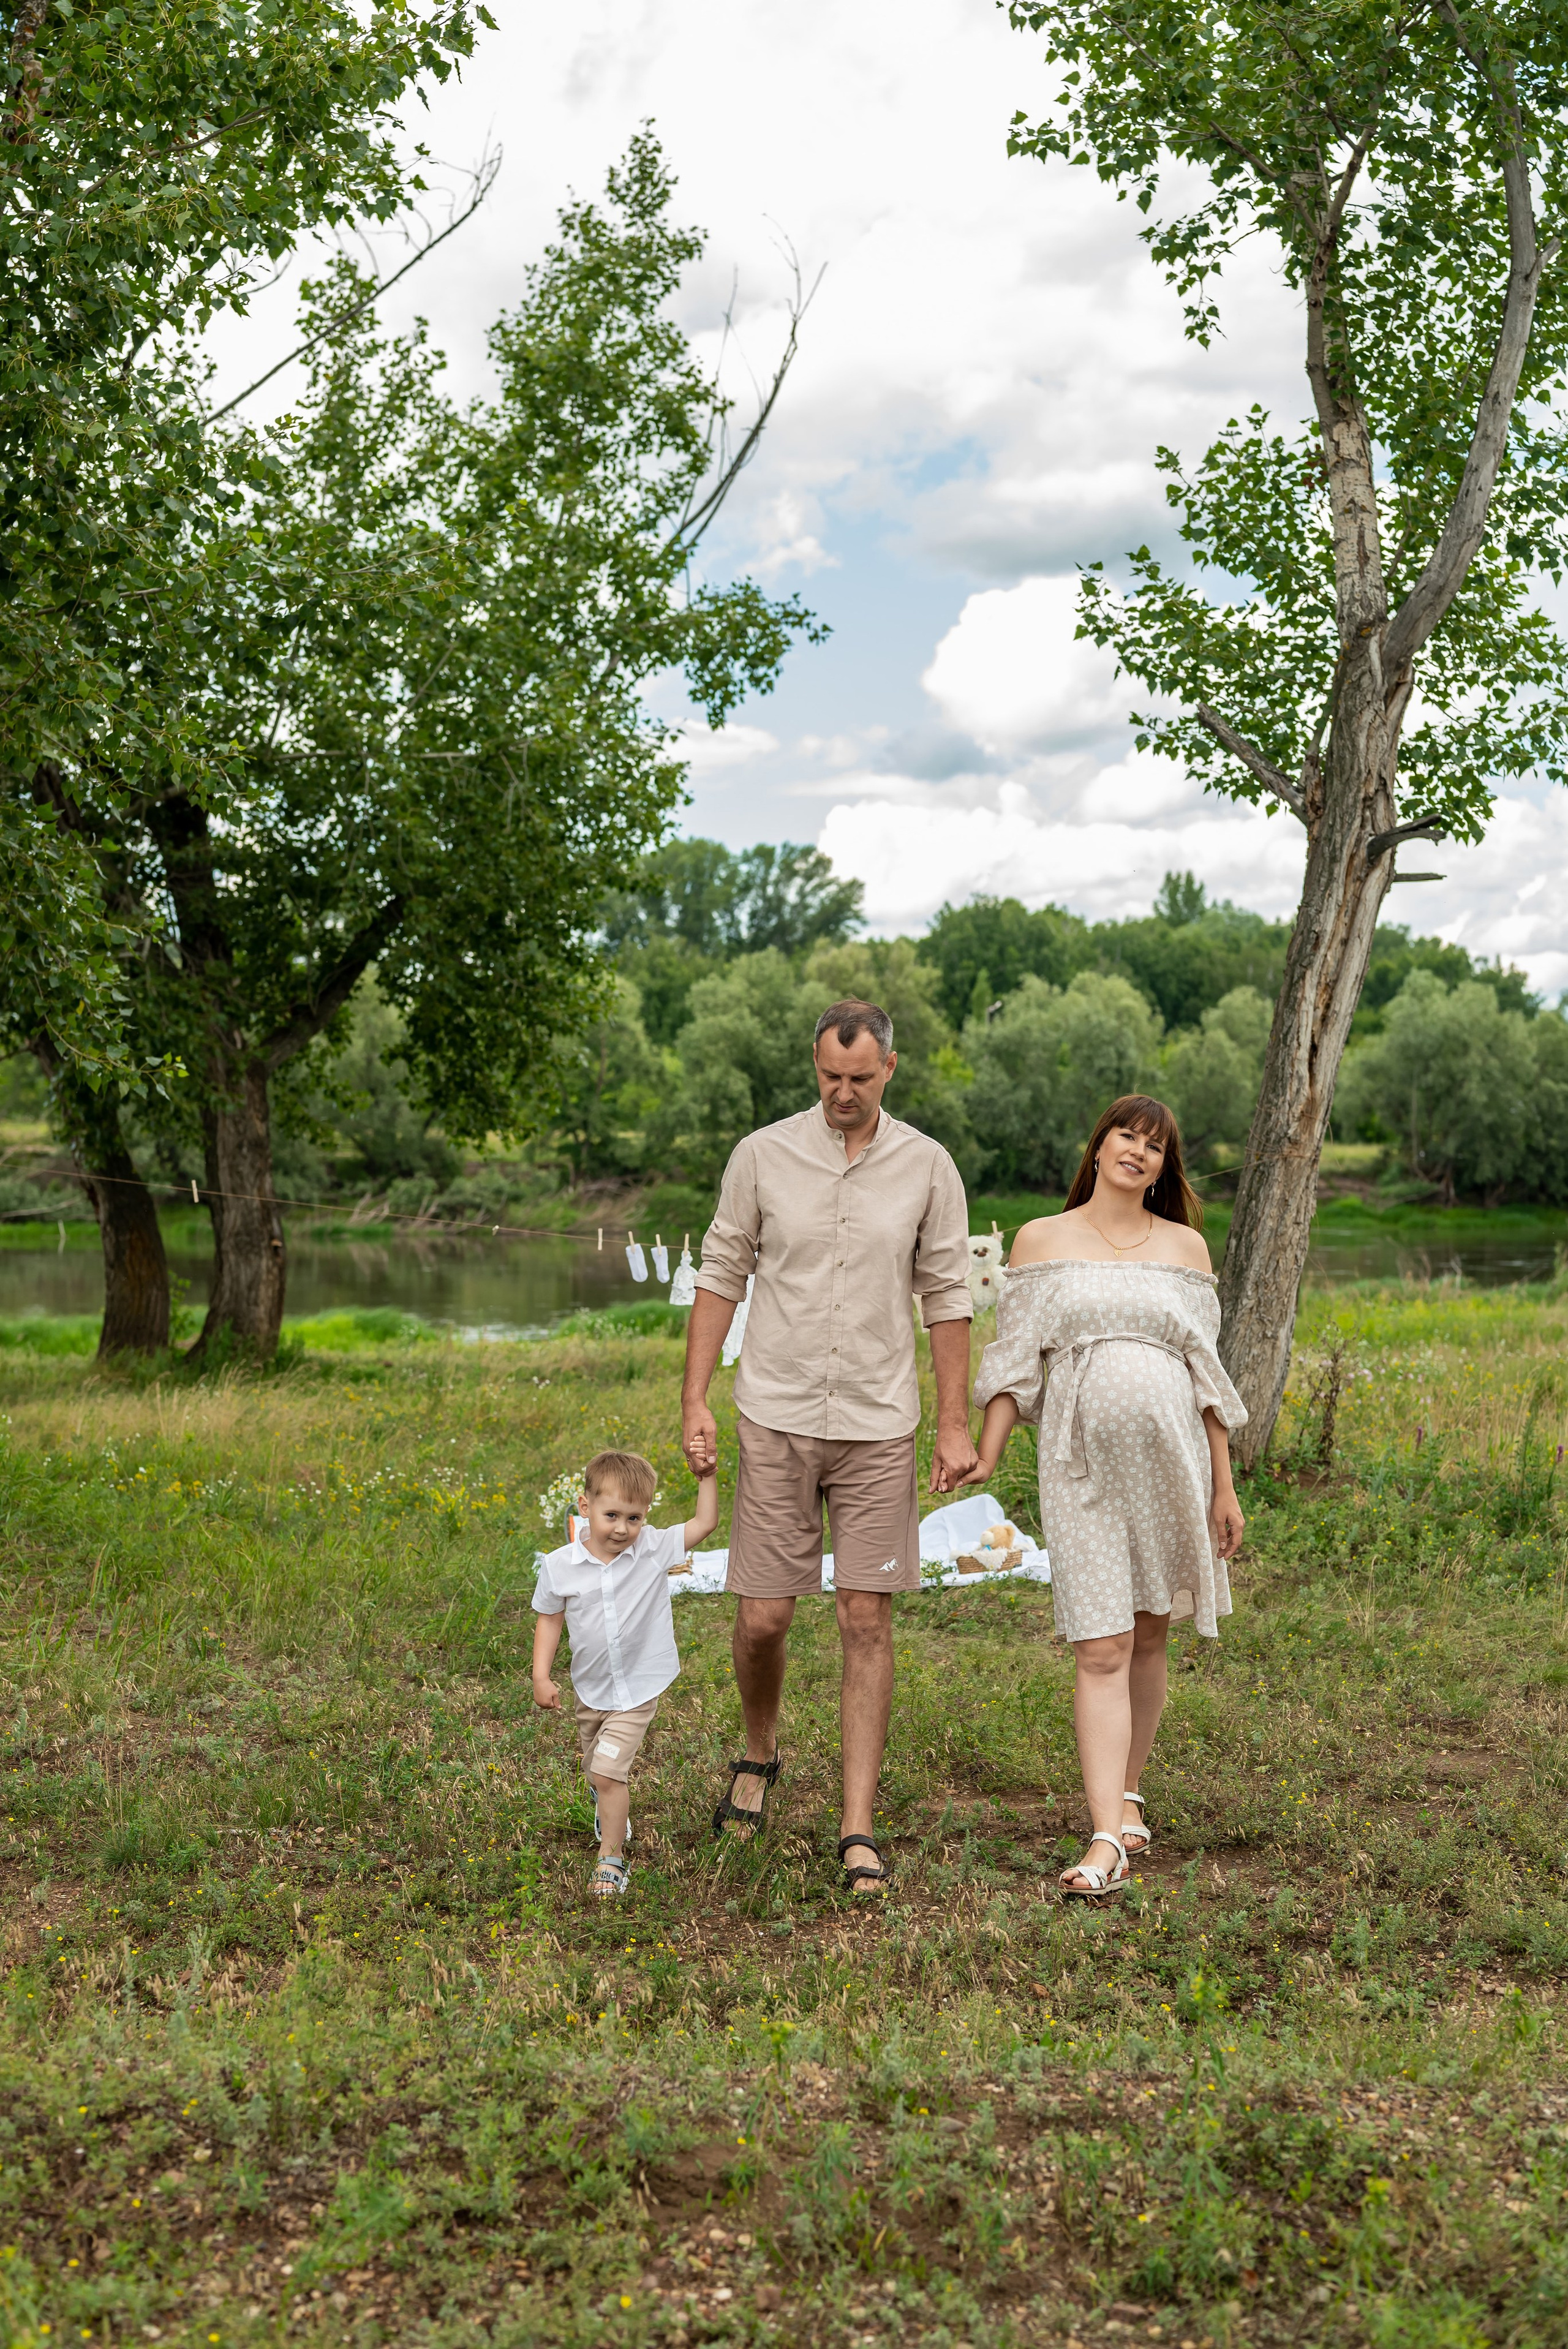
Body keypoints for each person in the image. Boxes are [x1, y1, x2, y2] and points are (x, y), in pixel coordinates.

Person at [682, 997, 978, 1895]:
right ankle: (758, 1753)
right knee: (764, 1614)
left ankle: (856, 1823)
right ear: (814, 1066)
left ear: (891, 1065)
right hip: (775, 1411)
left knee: (865, 1616)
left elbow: (948, 1292)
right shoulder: (763, 1154)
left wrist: (955, 1419)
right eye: (827, 1076)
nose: (841, 1092)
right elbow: (722, 1270)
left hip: (878, 1422)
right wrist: (693, 1393)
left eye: (858, 1077)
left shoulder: (928, 1165)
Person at [965, 1096, 1246, 1901]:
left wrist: (1224, 1486)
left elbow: (1208, 1380)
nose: (1139, 1151)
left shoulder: (1186, 1247)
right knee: (1101, 1644)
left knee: (1150, 1633)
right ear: (1098, 1146)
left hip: (1174, 1465)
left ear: (1166, 1167)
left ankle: (1124, 1791)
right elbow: (1014, 1362)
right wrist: (986, 1454)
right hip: (1081, 1466)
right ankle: (1103, 1838)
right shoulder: (1042, 1240)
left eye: (1157, 1145)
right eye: (1128, 1134)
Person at [532, 1446, 718, 1898]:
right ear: (585, 1506)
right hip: (591, 1688)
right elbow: (549, 1618)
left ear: (646, 1516)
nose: (622, 1528)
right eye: (611, 1514)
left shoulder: (652, 1548)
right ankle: (606, 1800)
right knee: (595, 1769)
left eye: (634, 1518)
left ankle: (611, 1859)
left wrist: (707, 1476)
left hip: (638, 1686)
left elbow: (704, 1524)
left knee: (611, 1773)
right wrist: (541, 1674)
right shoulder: (560, 1566)